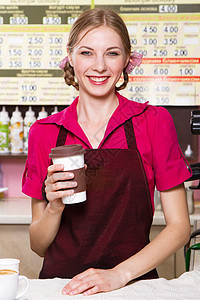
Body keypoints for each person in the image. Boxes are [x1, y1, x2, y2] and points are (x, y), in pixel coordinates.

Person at [22, 8, 192, 296]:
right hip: (63, 288)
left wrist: (117, 276)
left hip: (133, 285)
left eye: (111, 53)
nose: (99, 66)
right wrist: (55, 206)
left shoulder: (153, 122)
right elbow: (38, 245)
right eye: (87, 53)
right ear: (71, 57)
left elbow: (180, 227)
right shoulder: (44, 131)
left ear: (127, 59)